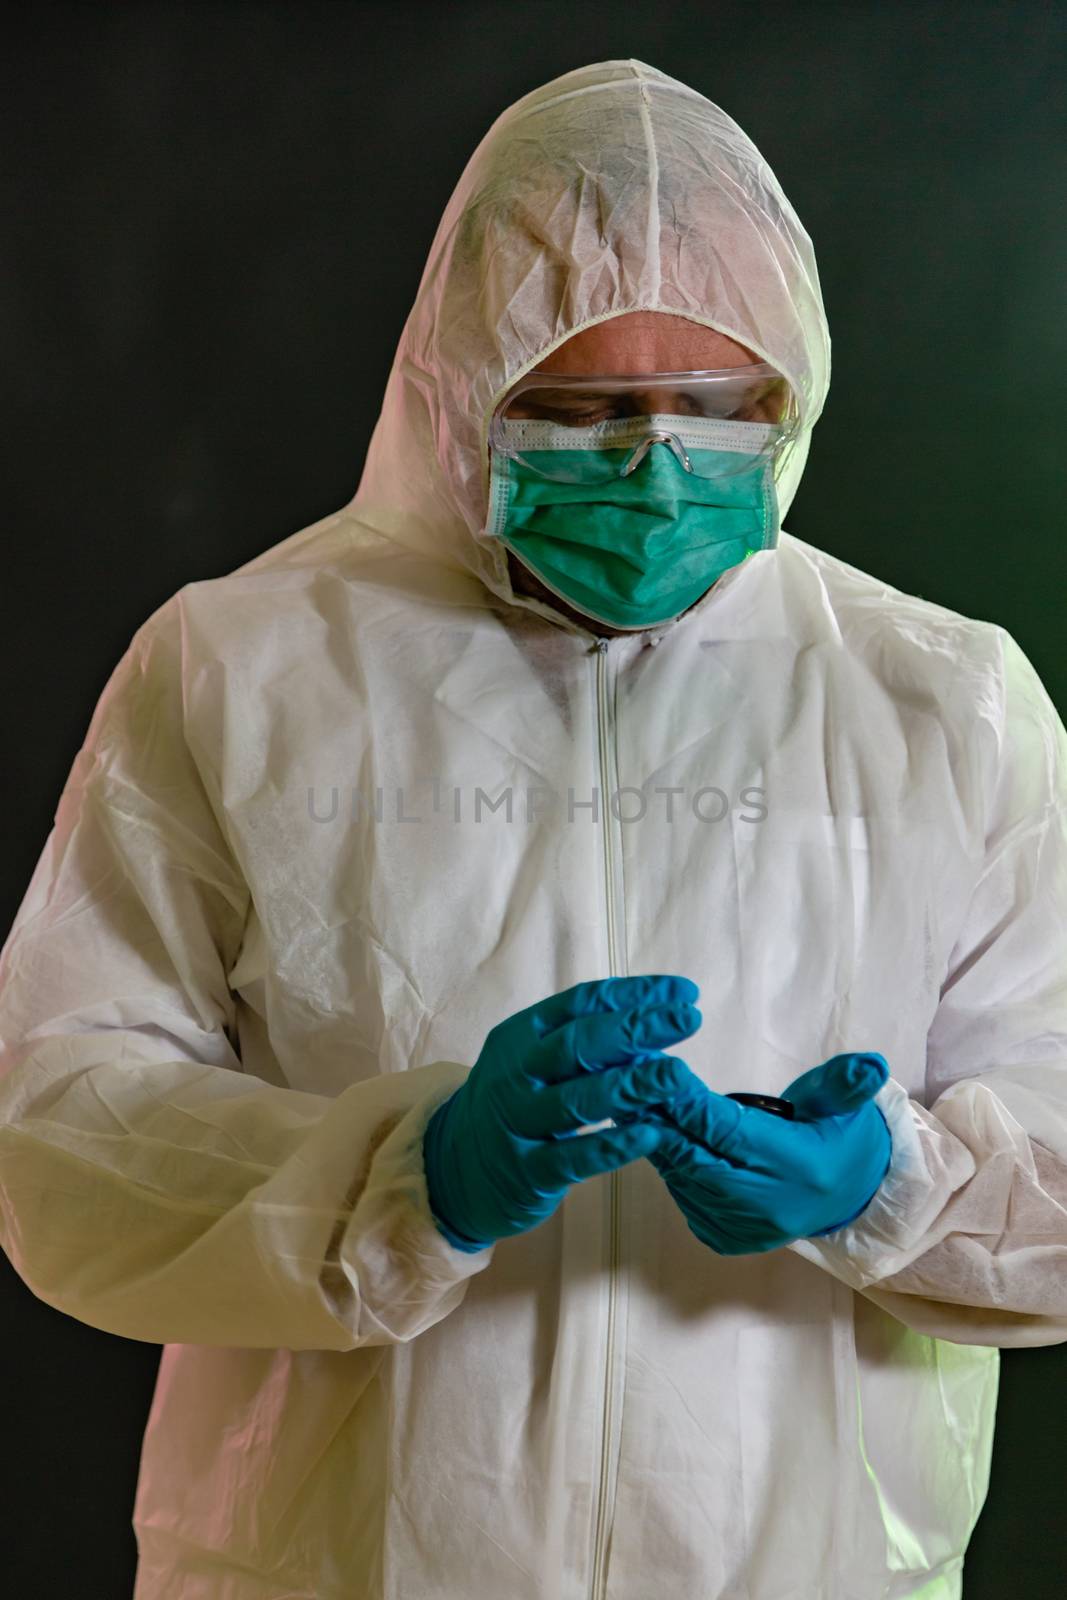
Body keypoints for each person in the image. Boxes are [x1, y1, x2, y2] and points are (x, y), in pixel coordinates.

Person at [0, 56, 1065, 1600]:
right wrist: (402, 1176)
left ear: (792, 398)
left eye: (711, 411)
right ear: (459, 391)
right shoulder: (241, 673)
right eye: (575, 409)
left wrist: (887, 1184)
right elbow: (55, 1132)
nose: (649, 462)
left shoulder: (941, 703)